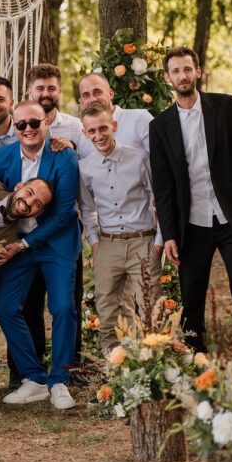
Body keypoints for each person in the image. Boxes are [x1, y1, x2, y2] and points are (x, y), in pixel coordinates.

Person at [150, 47, 232, 360]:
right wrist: (170, 234)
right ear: (167, 78)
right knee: (192, 295)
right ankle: (197, 359)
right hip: (192, 223)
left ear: (198, 72)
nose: (183, 76)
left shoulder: (225, 106)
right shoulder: (160, 126)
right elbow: (163, 187)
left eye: (187, 69)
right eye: (176, 71)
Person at [0, 101, 80, 410]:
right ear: (14, 127)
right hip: (15, 242)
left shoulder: (64, 156)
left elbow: (63, 212)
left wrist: (26, 244)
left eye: (35, 123)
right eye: (21, 124)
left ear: (46, 123)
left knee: (63, 307)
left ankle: (60, 380)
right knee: (5, 307)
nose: (28, 129)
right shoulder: (1, 156)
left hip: (55, 242)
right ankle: (34, 378)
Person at [0, 75, 47, 389]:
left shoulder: (32, 132)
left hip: (29, 237)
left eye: (0, 99)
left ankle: (25, 373)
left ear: (11, 103)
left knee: (30, 305)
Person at [77, 103, 162, 352]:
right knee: (108, 310)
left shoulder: (139, 158)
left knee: (150, 308)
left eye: (103, 128)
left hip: (142, 241)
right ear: (85, 133)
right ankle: (114, 364)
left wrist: (158, 243)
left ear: (113, 126)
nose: (98, 135)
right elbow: (87, 209)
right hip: (108, 244)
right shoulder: (85, 168)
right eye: (92, 131)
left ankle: (153, 361)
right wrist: (95, 244)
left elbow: (159, 199)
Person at [25, 64, 86, 383]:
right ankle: (32, 368)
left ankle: (70, 367)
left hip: (65, 227)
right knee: (31, 302)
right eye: (40, 88)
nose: (46, 94)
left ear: (59, 91)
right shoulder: (20, 123)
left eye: (51, 88)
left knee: (68, 303)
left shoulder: (75, 127)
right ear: (29, 92)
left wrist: (73, 148)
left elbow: (90, 166)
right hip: (27, 229)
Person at [77, 72, 152, 158]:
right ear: (82, 101)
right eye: (86, 95)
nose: (92, 99)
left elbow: (161, 157)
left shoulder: (139, 119)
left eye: (97, 92)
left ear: (111, 94)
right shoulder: (83, 141)